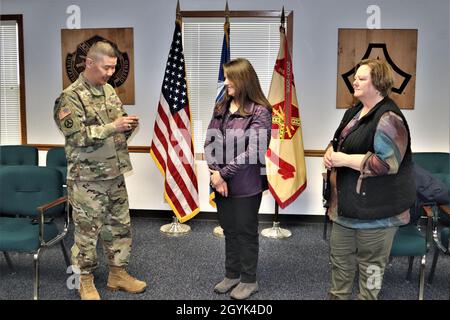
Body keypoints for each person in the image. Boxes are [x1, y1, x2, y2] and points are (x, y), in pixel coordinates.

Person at [53, 41, 146, 300]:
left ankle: (118, 273)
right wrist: (112, 127)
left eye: (113, 68)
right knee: (87, 231)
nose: (109, 73)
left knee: (119, 226)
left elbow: (116, 127)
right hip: (87, 178)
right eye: (106, 68)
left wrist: (126, 126)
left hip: (114, 173)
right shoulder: (69, 97)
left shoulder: (108, 91)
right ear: (90, 63)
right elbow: (76, 137)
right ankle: (84, 279)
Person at [323, 59, 416, 299]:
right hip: (345, 211)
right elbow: (339, 143)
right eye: (355, 77)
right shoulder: (354, 111)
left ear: (379, 84)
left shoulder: (389, 118)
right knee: (340, 266)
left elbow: (386, 164)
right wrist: (330, 153)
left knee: (371, 273)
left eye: (361, 78)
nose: (354, 81)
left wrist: (343, 160)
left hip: (377, 216)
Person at [204, 58, 272, 300]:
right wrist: (215, 173)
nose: (226, 82)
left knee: (245, 231)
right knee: (229, 229)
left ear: (243, 80)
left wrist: (222, 174)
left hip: (246, 184)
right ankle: (232, 274)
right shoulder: (222, 105)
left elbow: (254, 151)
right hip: (220, 182)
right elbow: (209, 141)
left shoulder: (260, 111)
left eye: (230, 78)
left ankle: (248, 279)